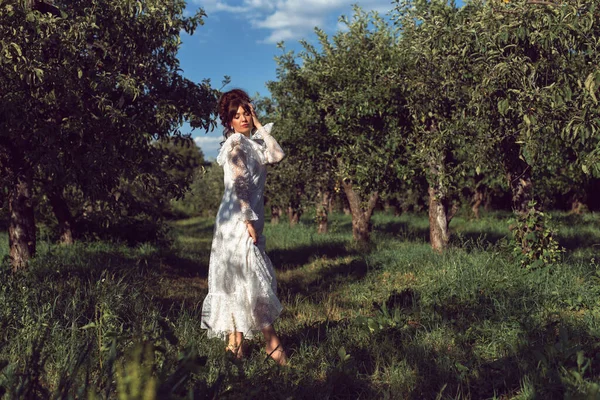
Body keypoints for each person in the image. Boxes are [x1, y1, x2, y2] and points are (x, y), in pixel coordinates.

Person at [200, 89, 288, 365]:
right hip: (238, 221)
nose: (243, 119)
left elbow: (277, 155)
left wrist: (260, 125)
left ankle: (234, 350)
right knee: (251, 278)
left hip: (244, 219)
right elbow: (240, 185)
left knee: (238, 280)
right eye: (236, 116)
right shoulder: (237, 144)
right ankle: (272, 344)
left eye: (246, 113)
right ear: (229, 122)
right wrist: (248, 221)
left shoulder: (255, 144)